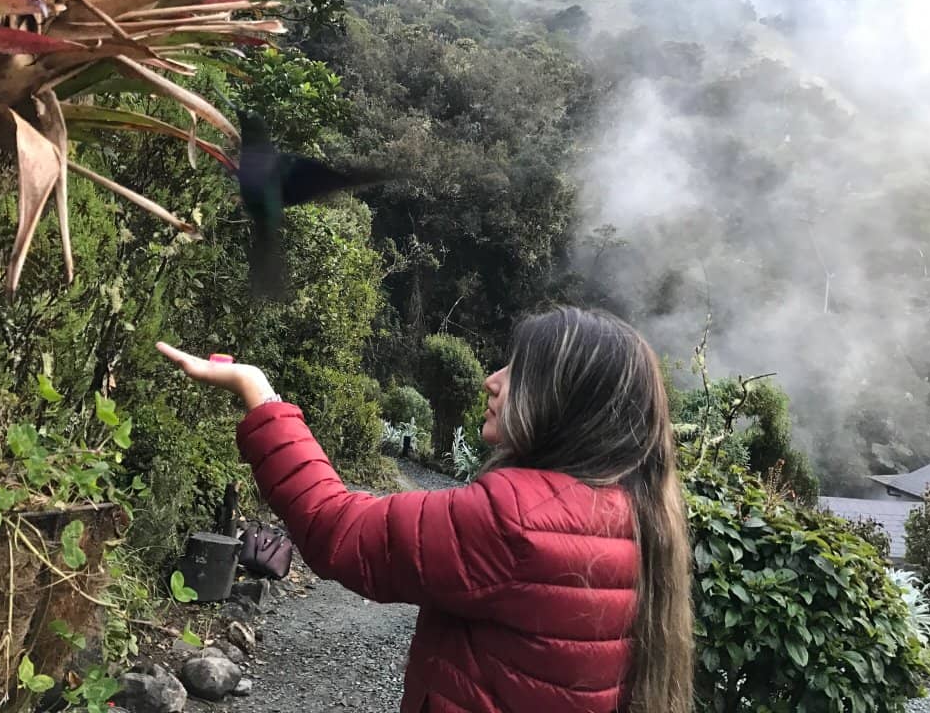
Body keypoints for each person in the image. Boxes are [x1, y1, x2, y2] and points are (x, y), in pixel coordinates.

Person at [156, 305, 694, 713]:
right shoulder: (629, 511)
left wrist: (257, 391)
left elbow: (336, 528)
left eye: (518, 370)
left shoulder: (517, 518)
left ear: (564, 402)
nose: (493, 379)